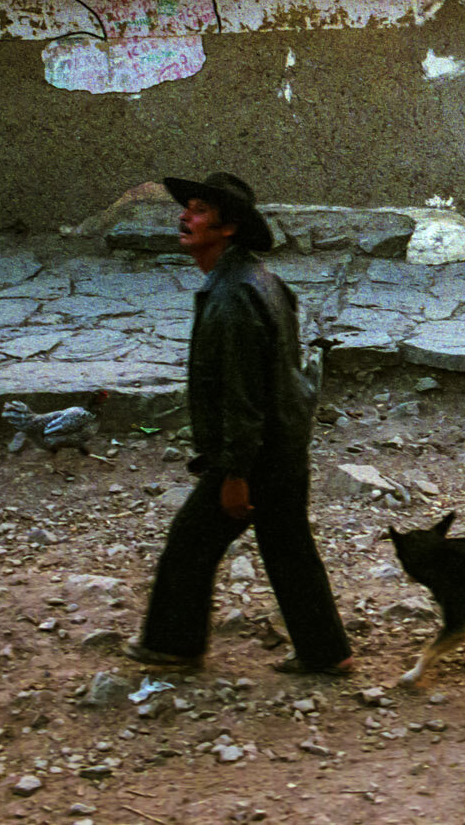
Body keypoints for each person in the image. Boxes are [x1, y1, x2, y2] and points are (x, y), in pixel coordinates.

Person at [125, 172, 353, 675]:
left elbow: (241, 396)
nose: (185, 216)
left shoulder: (232, 297)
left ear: (227, 228)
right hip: (286, 443)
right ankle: (325, 651)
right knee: (288, 546)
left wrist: (233, 473)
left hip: (258, 451)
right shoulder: (262, 281)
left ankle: (174, 645)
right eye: (187, 208)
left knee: (190, 542)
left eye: (200, 210)